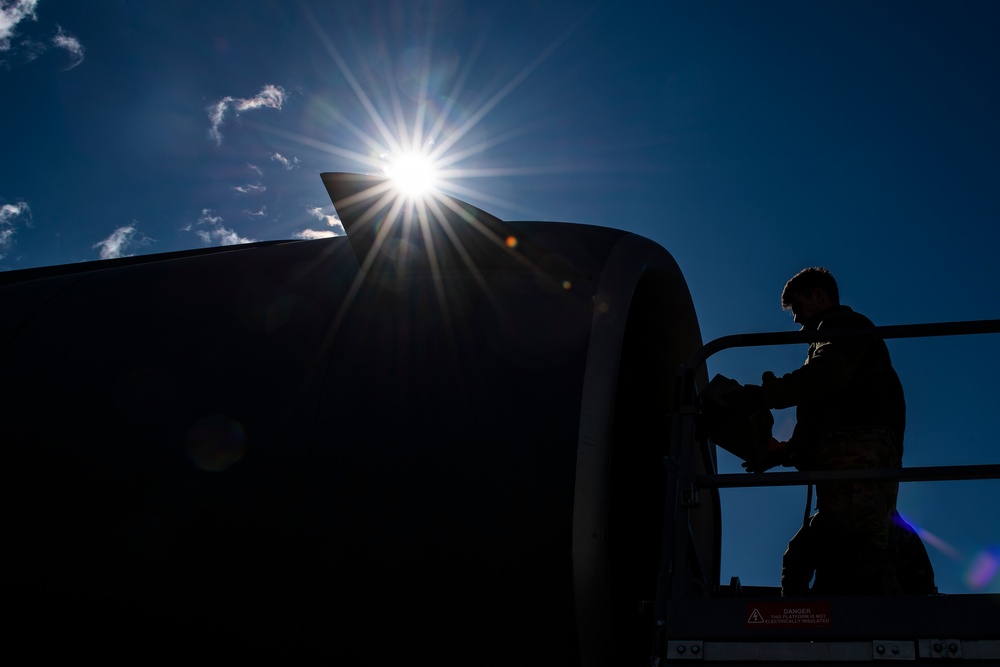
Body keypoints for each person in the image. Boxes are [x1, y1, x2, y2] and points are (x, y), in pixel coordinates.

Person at [740, 267, 934, 596]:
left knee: (858, 545)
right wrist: (781, 454)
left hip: (856, 450)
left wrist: (765, 396)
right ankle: (805, 621)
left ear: (819, 296)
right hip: (853, 455)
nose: (796, 318)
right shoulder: (834, 337)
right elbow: (823, 411)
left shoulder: (842, 327)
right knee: (812, 549)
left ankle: (881, 623)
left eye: (798, 306)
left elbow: (826, 376)